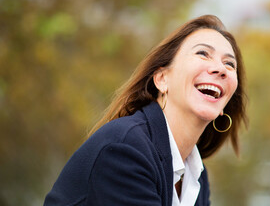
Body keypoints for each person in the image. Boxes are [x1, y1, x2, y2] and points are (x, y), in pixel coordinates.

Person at [44, 15, 247, 206]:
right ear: (162, 79)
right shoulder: (125, 150)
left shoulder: (197, 175)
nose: (220, 68)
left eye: (229, 64)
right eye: (203, 53)